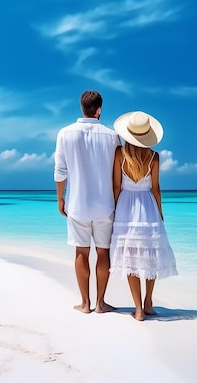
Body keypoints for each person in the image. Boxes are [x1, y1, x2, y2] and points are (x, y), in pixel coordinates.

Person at [54, 90, 121, 314]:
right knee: (103, 253)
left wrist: (60, 198)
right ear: (99, 110)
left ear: (82, 108)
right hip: (105, 204)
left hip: (77, 203)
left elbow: (60, 171)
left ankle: (85, 304)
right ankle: (101, 303)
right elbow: (116, 174)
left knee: (81, 253)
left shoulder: (65, 133)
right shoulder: (112, 136)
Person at [110, 111, 178, 321]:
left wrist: (114, 209)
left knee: (131, 256)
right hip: (148, 205)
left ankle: (138, 309)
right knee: (150, 256)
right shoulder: (154, 156)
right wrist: (160, 210)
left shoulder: (120, 154)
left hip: (126, 206)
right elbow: (156, 187)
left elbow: (116, 186)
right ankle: (149, 303)